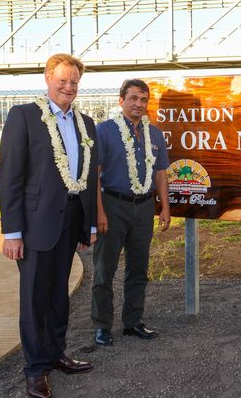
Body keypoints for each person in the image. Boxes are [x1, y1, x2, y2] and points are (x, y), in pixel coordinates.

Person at [0, 53, 97, 398]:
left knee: (59, 295)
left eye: (74, 81)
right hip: (35, 224)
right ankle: (35, 369)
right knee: (35, 298)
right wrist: (12, 232)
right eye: (63, 79)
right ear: (47, 77)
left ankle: (56, 354)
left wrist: (88, 227)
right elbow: (10, 176)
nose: (68, 86)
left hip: (71, 221)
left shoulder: (86, 123)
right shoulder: (24, 116)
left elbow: (87, 178)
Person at [91, 79, 170, 347]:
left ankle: (133, 322)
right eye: (133, 98)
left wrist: (165, 207)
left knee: (139, 268)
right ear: (121, 100)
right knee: (104, 269)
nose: (138, 104)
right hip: (112, 206)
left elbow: (160, 172)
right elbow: (96, 175)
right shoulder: (104, 131)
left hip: (144, 207)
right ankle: (102, 326)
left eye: (143, 99)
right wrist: (99, 211)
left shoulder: (155, 134)